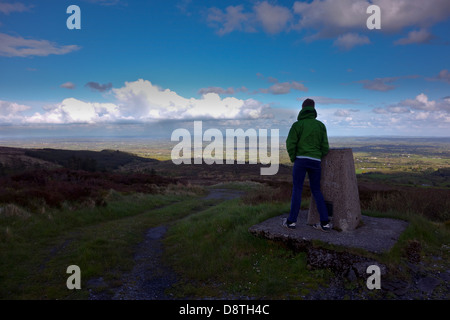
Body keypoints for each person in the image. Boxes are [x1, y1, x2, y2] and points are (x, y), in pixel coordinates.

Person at [283, 98, 331, 232]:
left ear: (302, 108)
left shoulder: (297, 125)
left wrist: (294, 158)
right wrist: (317, 156)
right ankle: (325, 223)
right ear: (313, 108)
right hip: (315, 161)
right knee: (316, 190)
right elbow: (325, 146)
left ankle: (291, 221)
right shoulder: (320, 126)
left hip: (301, 161)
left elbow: (290, 143)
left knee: (297, 189)